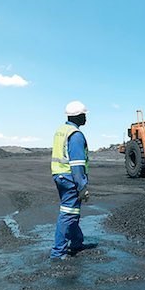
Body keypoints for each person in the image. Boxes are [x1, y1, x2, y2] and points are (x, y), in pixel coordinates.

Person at [50, 100, 94, 260]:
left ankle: (76, 242)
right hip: (70, 178)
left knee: (71, 211)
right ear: (78, 116)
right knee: (68, 214)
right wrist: (82, 187)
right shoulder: (75, 135)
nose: (86, 118)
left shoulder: (62, 130)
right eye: (84, 115)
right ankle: (58, 253)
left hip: (59, 176)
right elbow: (77, 165)